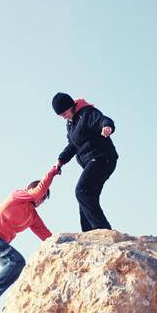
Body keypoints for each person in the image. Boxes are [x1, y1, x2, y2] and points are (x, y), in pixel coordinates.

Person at [0, 164, 60, 309]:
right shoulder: (18, 196)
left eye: (44, 199)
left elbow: (46, 235)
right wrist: (53, 171)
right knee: (17, 261)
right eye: (42, 196)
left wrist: (63, 246)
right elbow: (39, 190)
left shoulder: (32, 216)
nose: (41, 200)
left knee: (16, 269)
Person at [52, 92, 118, 231]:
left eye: (65, 113)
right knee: (87, 197)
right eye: (61, 116)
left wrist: (107, 127)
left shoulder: (86, 113)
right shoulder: (70, 125)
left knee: (82, 191)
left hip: (102, 157)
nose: (64, 117)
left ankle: (101, 229)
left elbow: (103, 120)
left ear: (71, 106)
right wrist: (61, 160)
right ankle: (88, 232)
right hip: (92, 161)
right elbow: (72, 145)